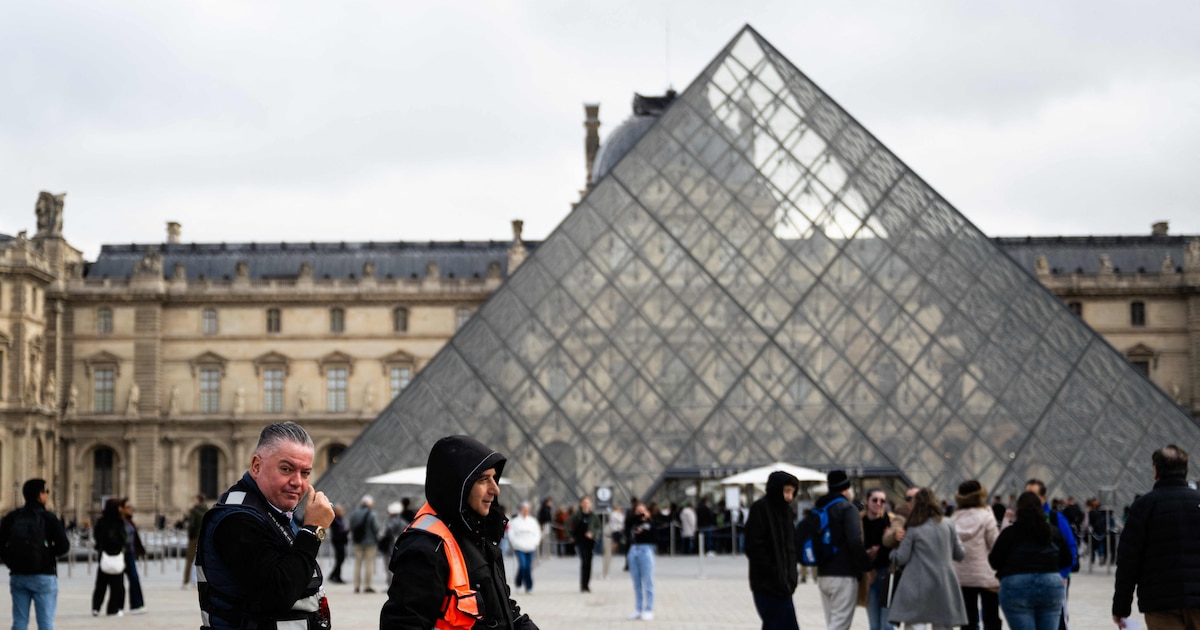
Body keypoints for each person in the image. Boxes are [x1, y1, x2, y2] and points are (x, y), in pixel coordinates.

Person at [381, 435, 537, 629]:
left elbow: (503, 609)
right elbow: (403, 624)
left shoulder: (480, 535)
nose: (495, 489)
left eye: (494, 478)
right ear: (458, 484)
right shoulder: (425, 547)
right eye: (483, 479)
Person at [195, 421, 335, 630]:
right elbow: (278, 594)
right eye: (286, 469)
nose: (297, 482)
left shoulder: (271, 511)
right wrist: (314, 530)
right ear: (256, 466)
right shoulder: (236, 521)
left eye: (305, 473)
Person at [1113, 444, 1200, 629]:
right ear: (1185, 470)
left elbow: (1128, 561)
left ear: (1155, 470)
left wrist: (1121, 607)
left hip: (1161, 603)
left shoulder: (1143, 506)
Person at [988, 491, 1072, 630]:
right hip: (1050, 583)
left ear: (1018, 510)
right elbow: (1067, 559)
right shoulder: (1052, 532)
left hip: (1016, 584)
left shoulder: (1009, 533)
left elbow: (994, 561)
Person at [888, 487, 967, 629]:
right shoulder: (949, 524)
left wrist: (892, 553)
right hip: (944, 584)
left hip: (917, 586)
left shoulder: (914, 526)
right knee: (943, 625)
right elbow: (960, 554)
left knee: (916, 624)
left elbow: (902, 558)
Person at [0, 478, 70, 630]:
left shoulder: (12, 517)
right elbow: (64, 546)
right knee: (45, 623)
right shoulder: (49, 518)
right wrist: (47, 553)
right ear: (40, 495)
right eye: (46, 492)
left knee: (19, 622)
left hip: (18, 575)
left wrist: (11, 560)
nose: (47, 495)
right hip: (44, 575)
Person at [813, 469, 871, 630]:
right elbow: (854, 541)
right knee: (839, 625)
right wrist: (866, 565)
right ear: (846, 489)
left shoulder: (820, 507)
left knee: (832, 622)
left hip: (823, 574)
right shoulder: (847, 508)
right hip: (843, 575)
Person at [745, 470, 801, 630]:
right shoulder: (760, 509)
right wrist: (774, 574)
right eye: (786, 491)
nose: (790, 496)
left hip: (785, 586)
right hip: (766, 584)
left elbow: (791, 547)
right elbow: (754, 548)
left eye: (792, 492)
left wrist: (791, 577)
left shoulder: (787, 512)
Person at [1024, 478, 1077, 630]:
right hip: (1029, 580)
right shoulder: (1022, 520)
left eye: (1033, 495)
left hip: (1056, 579)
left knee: (1057, 621)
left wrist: (1063, 574)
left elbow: (1071, 546)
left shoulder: (1056, 519)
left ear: (1043, 498)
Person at [951, 480, 1000, 630]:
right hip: (986, 576)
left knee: (968, 621)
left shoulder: (953, 519)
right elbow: (995, 545)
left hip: (961, 577)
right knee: (991, 619)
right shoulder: (986, 516)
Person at [860, 487, 895, 630]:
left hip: (887, 574)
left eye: (882, 501)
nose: (878, 503)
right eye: (875, 500)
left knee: (887, 624)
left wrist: (891, 537)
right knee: (874, 624)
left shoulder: (890, 520)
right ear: (867, 501)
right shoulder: (859, 520)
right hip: (869, 574)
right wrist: (867, 553)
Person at [91, 497, 128, 617]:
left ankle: (96, 607)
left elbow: (96, 536)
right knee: (117, 585)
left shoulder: (101, 521)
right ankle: (114, 608)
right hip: (116, 555)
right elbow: (124, 538)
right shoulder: (119, 521)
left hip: (104, 555)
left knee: (101, 584)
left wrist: (101, 547)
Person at [626, 500, 656, 621]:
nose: (640, 512)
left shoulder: (651, 522)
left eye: (642, 509)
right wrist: (638, 517)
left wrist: (648, 519)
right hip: (633, 551)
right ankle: (638, 609)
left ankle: (648, 608)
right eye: (637, 510)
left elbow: (654, 536)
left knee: (648, 582)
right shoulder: (632, 522)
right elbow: (628, 523)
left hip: (646, 550)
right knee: (636, 583)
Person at [567, 495, 603, 592]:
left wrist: (593, 533)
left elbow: (598, 527)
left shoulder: (593, 516)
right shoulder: (577, 515)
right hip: (580, 541)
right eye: (584, 502)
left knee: (589, 563)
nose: (586, 504)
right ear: (581, 504)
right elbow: (567, 524)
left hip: (590, 542)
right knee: (584, 561)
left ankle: (587, 585)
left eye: (588, 502)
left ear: (590, 504)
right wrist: (570, 536)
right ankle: (583, 585)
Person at [120, 499, 148, 614]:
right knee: (116, 582)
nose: (130, 509)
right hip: (121, 554)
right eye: (128, 507)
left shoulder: (129, 521)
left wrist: (140, 550)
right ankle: (117, 607)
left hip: (129, 554)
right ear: (121, 509)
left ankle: (136, 605)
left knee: (134, 578)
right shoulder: (120, 522)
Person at [508, 501, 542, 594]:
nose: (525, 511)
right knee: (523, 566)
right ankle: (518, 584)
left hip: (530, 547)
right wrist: (515, 543)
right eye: (524, 509)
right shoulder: (515, 522)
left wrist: (535, 543)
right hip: (519, 547)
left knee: (528, 567)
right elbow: (511, 534)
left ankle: (529, 586)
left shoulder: (532, 521)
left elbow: (537, 533)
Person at [349, 494, 379, 593]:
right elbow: (376, 528)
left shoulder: (354, 513)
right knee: (369, 564)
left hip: (357, 541)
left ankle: (356, 586)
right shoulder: (371, 514)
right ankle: (367, 585)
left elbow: (351, 526)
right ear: (369, 504)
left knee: (357, 564)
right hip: (370, 542)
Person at [183, 494, 208, 588]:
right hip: (203, 536)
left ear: (198, 500)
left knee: (189, 559)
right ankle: (201, 581)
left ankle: (186, 581)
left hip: (194, 537)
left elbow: (192, 525)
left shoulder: (194, 511)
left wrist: (190, 534)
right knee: (201, 559)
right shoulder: (206, 509)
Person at [329, 504, 348, 583]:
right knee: (340, 559)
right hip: (338, 541)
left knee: (340, 559)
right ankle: (336, 576)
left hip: (340, 541)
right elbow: (339, 531)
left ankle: (334, 575)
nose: (343, 512)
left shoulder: (339, 519)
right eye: (341, 510)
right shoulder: (335, 519)